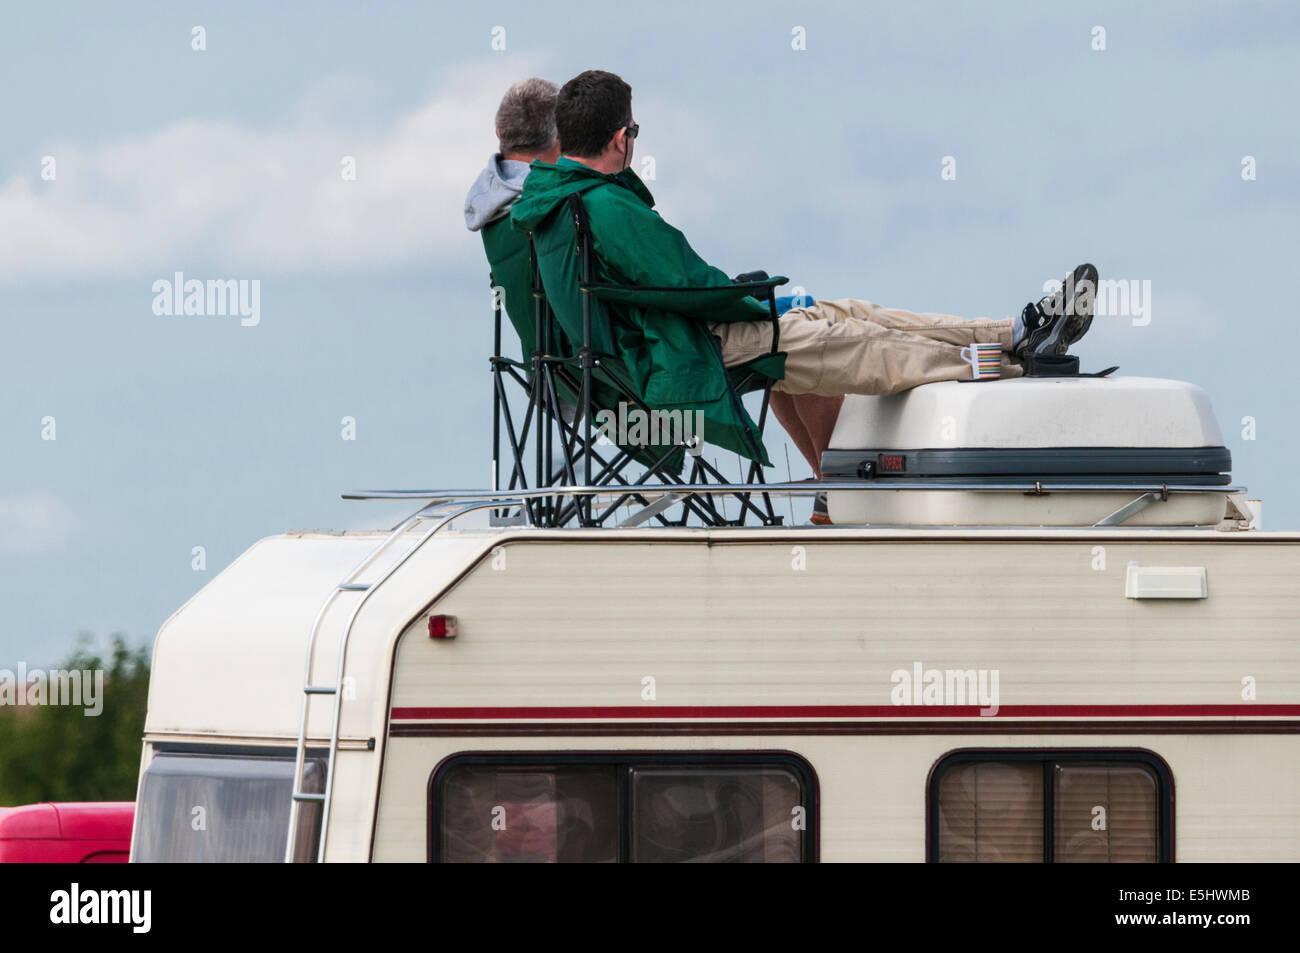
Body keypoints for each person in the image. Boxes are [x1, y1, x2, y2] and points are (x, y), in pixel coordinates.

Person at [511, 70, 1097, 507]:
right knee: (856, 342)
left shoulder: (554, 203)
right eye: (634, 131)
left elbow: (669, 286)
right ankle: (1014, 364)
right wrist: (755, 297)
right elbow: (687, 284)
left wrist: (754, 298)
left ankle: (1016, 330)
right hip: (679, 353)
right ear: (621, 138)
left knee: (847, 311)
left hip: (657, 343)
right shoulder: (605, 207)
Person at [464, 77, 562, 358]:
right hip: (601, 375)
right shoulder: (562, 205)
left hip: (545, 373)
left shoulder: (491, 205)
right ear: (559, 137)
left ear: (498, 132)